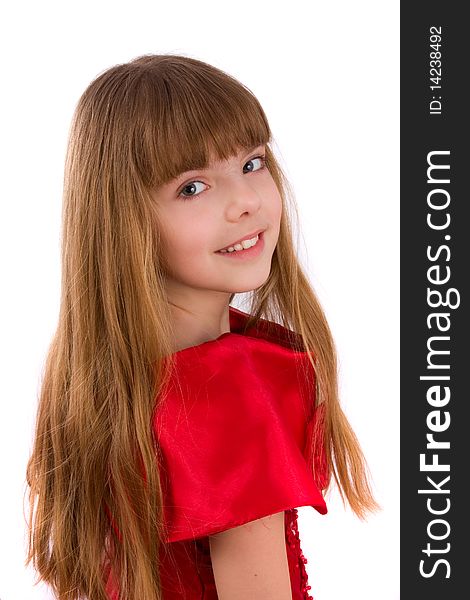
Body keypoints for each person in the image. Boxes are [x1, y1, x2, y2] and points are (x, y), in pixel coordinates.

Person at [26, 54, 378, 600]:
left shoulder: (93, 377)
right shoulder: (226, 391)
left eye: (252, 163)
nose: (244, 201)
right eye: (192, 187)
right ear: (124, 221)